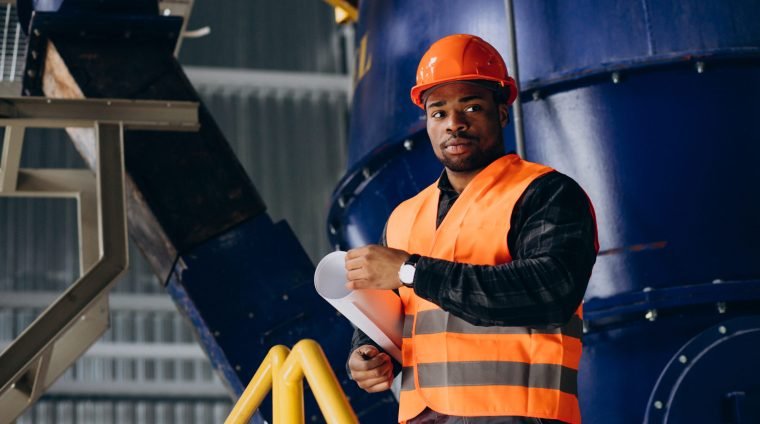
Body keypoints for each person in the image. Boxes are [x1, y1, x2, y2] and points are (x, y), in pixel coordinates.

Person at [344, 34, 598, 424]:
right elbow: (393, 314)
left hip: (519, 416)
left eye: (472, 107)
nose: (454, 125)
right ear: (426, 123)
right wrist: (369, 355)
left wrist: (411, 270)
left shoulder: (546, 193)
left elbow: (550, 290)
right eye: (439, 113)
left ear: (501, 113)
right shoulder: (404, 217)